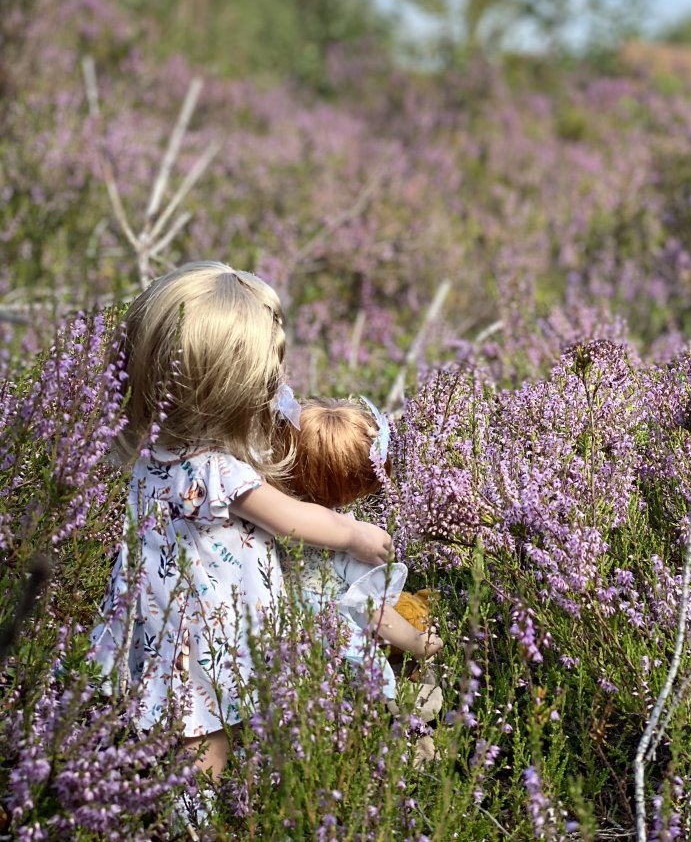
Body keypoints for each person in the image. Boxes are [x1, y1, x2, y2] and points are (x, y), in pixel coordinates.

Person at [90, 261, 393, 781]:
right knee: (205, 723)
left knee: (182, 706)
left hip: (159, 607)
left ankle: (169, 783)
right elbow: (290, 519)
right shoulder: (218, 470)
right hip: (211, 622)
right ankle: (195, 806)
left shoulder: (153, 453)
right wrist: (354, 533)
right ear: (226, 388)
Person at [271, 393, 443, 695]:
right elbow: (375, 612)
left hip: (276, 644)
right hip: (336, 654)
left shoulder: (269, 519)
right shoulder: (351, 540)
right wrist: (418, 642)